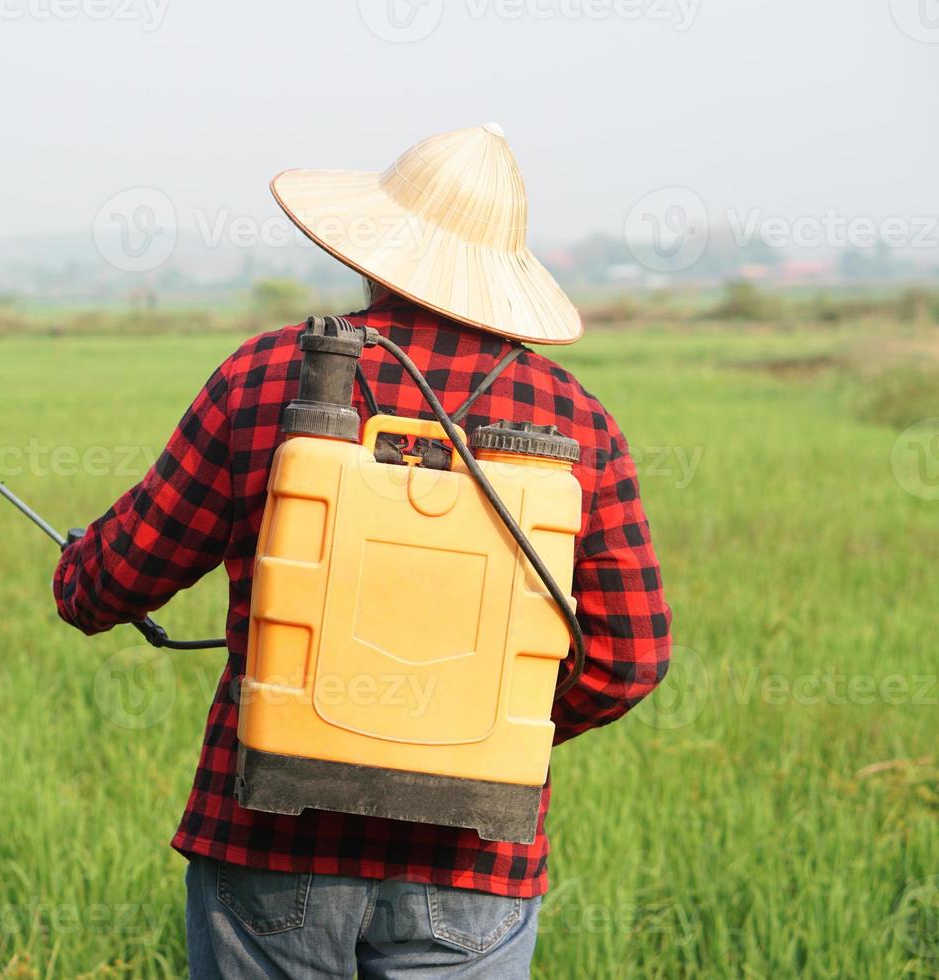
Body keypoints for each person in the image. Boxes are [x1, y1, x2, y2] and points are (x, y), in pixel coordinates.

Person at [53, 123, 672, 978]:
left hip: (269, 846)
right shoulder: (578, 421)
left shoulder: (264, 375)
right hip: (472, 866)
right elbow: (631, 659)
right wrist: (480, 725)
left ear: (377, 250)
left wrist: (79, 569)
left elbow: (113, 579)